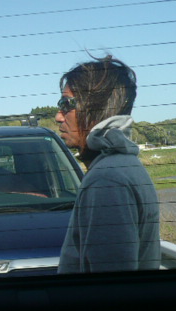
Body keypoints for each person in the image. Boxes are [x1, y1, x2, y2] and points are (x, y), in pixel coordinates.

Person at [54, 55, 160, 273]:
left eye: (66, 104)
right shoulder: (123, 164)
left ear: (95, 108)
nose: (58, 116)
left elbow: (110, 284)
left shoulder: (107, 180)